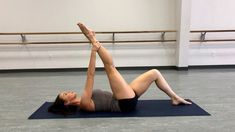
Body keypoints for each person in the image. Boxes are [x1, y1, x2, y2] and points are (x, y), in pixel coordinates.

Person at [48, 23, 191, 115]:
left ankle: (175, 98)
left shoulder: (83, 98)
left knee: (154, 73)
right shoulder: (84, 103)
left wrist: (94, 51)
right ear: (67, 103)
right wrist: (93, 51)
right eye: (65, 94)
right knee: (110, 68)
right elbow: (90, 75)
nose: (68, 92)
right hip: (123, 104)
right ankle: (92, 38)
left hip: (125, 96)